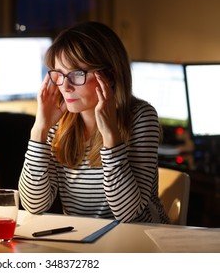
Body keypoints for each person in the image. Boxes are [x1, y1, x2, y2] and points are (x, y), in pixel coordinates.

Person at [18, 21, 170, 224]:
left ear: (110, 76)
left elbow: (128, 214)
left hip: (137, 239)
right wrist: (40, 129)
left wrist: (110, 136)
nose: (65, 86)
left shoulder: (141, 117)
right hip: (83, 241)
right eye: (60, 75)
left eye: (77, 74)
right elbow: (33, 204)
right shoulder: (59, 121)